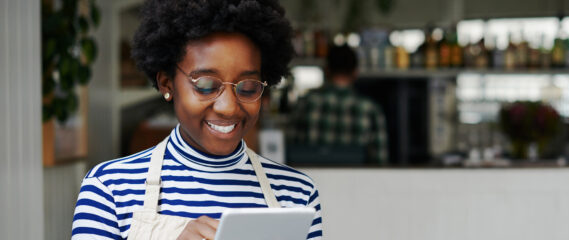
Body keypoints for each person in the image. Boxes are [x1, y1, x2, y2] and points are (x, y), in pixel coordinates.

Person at [71, 1, 322, 239]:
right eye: (205, 85)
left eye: (246, 87)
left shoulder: (296, 193)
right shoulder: (110, 188)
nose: (228, 107)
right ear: (166, 83)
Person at [291, 45, 388, 164]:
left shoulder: (305, 103)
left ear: (327, 70)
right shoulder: (371, 109)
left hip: (312, 180)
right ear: (355, 72)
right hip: (356, 181)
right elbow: (380, 162)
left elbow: (290, 153)